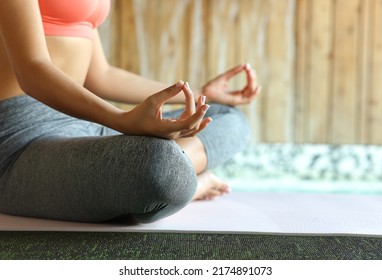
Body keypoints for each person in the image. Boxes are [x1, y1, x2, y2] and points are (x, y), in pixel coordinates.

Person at [0, 0, 260, 223]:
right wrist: (123, 120)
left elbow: (101, 75)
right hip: (20, 139)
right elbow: (32, 70)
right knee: (157, 164)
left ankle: (169, 183)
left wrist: (195, 95)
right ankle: (180, 183)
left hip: (84, 121)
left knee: (226, 115)